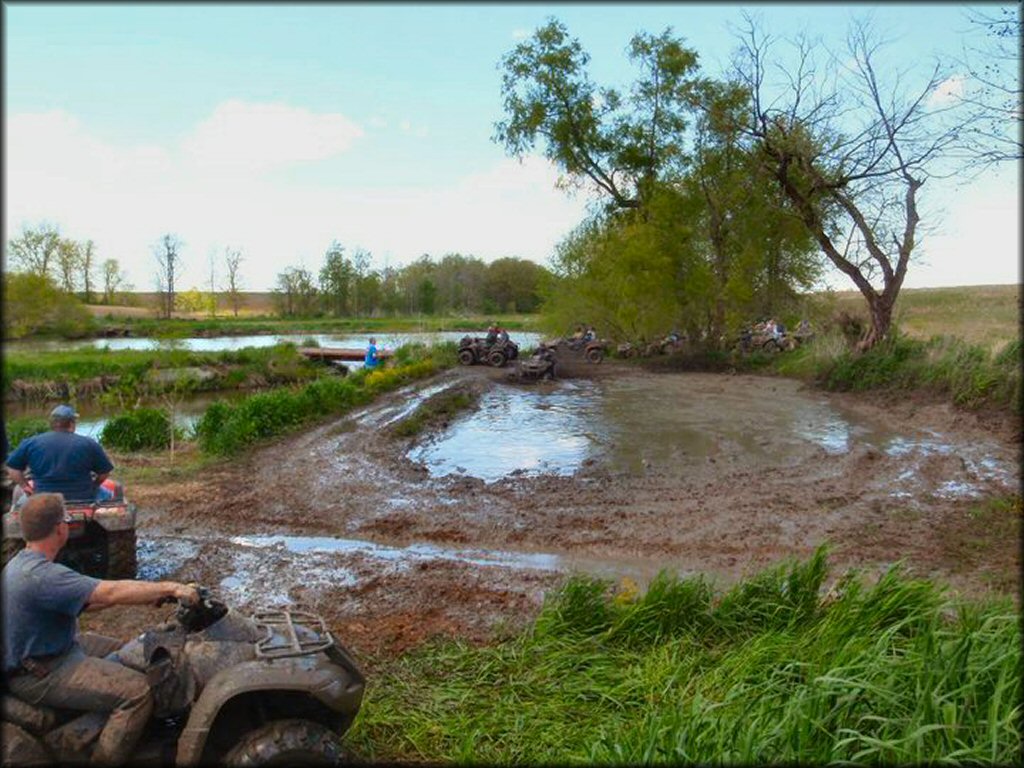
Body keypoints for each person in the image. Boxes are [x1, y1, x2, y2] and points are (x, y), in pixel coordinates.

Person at [3, 493, 199, 765]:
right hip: (42, 671)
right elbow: (109, 591)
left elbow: (87, 600)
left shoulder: (25, 564)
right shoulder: (43, 576)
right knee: (138, 692)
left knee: (131, 652)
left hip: (51, 649)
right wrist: (171, 587)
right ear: (60, 528)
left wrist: (146, 597)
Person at [5, 405, 115, 507]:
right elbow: (104, 472)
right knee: (112, 496)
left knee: (18, 507)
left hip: (42, 498)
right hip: (83, 497)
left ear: (51, 424)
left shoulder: (31, 443)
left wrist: (25, 486)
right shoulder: (89, 443)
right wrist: (94, 485)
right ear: (71, 424)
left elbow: (12, 468)